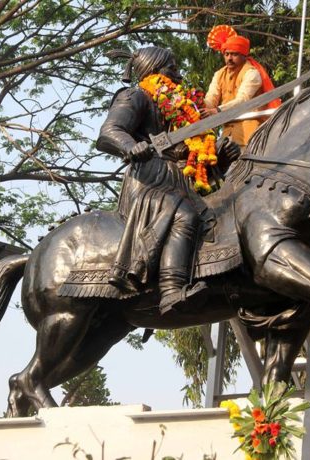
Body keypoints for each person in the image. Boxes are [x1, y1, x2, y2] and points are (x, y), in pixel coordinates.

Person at [96, 47, 208, 314]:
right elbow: (108, 132)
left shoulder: (177, 106)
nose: (179, 75)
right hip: (149, 182)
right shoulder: (136, 95)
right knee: (185, 216)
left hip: (179, 179)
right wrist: (131, 146)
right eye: (172, 68)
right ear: (154, 70)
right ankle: (171, 290)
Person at [201, 26, 280, 150]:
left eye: (234, 54)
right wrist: (197, 103)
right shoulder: (219, 74)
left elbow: (243, 100)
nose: (229, 58)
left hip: (251, 135)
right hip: (227, 135)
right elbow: (211, 98)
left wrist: (218, 111)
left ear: (244, 55)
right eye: (227, 54)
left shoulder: (252, 73)